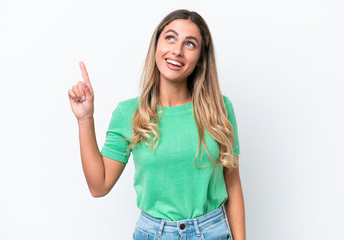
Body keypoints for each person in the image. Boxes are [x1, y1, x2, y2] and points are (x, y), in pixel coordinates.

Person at [68, 9, 245, 240]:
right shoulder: (130, 113)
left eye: (190, 44)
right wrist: (85, 119)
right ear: (156, 46)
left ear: (201, 58)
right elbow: (99, 186)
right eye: (170, 38)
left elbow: (232, 186)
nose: (177, 50)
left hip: (212, 232)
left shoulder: (220, 109)